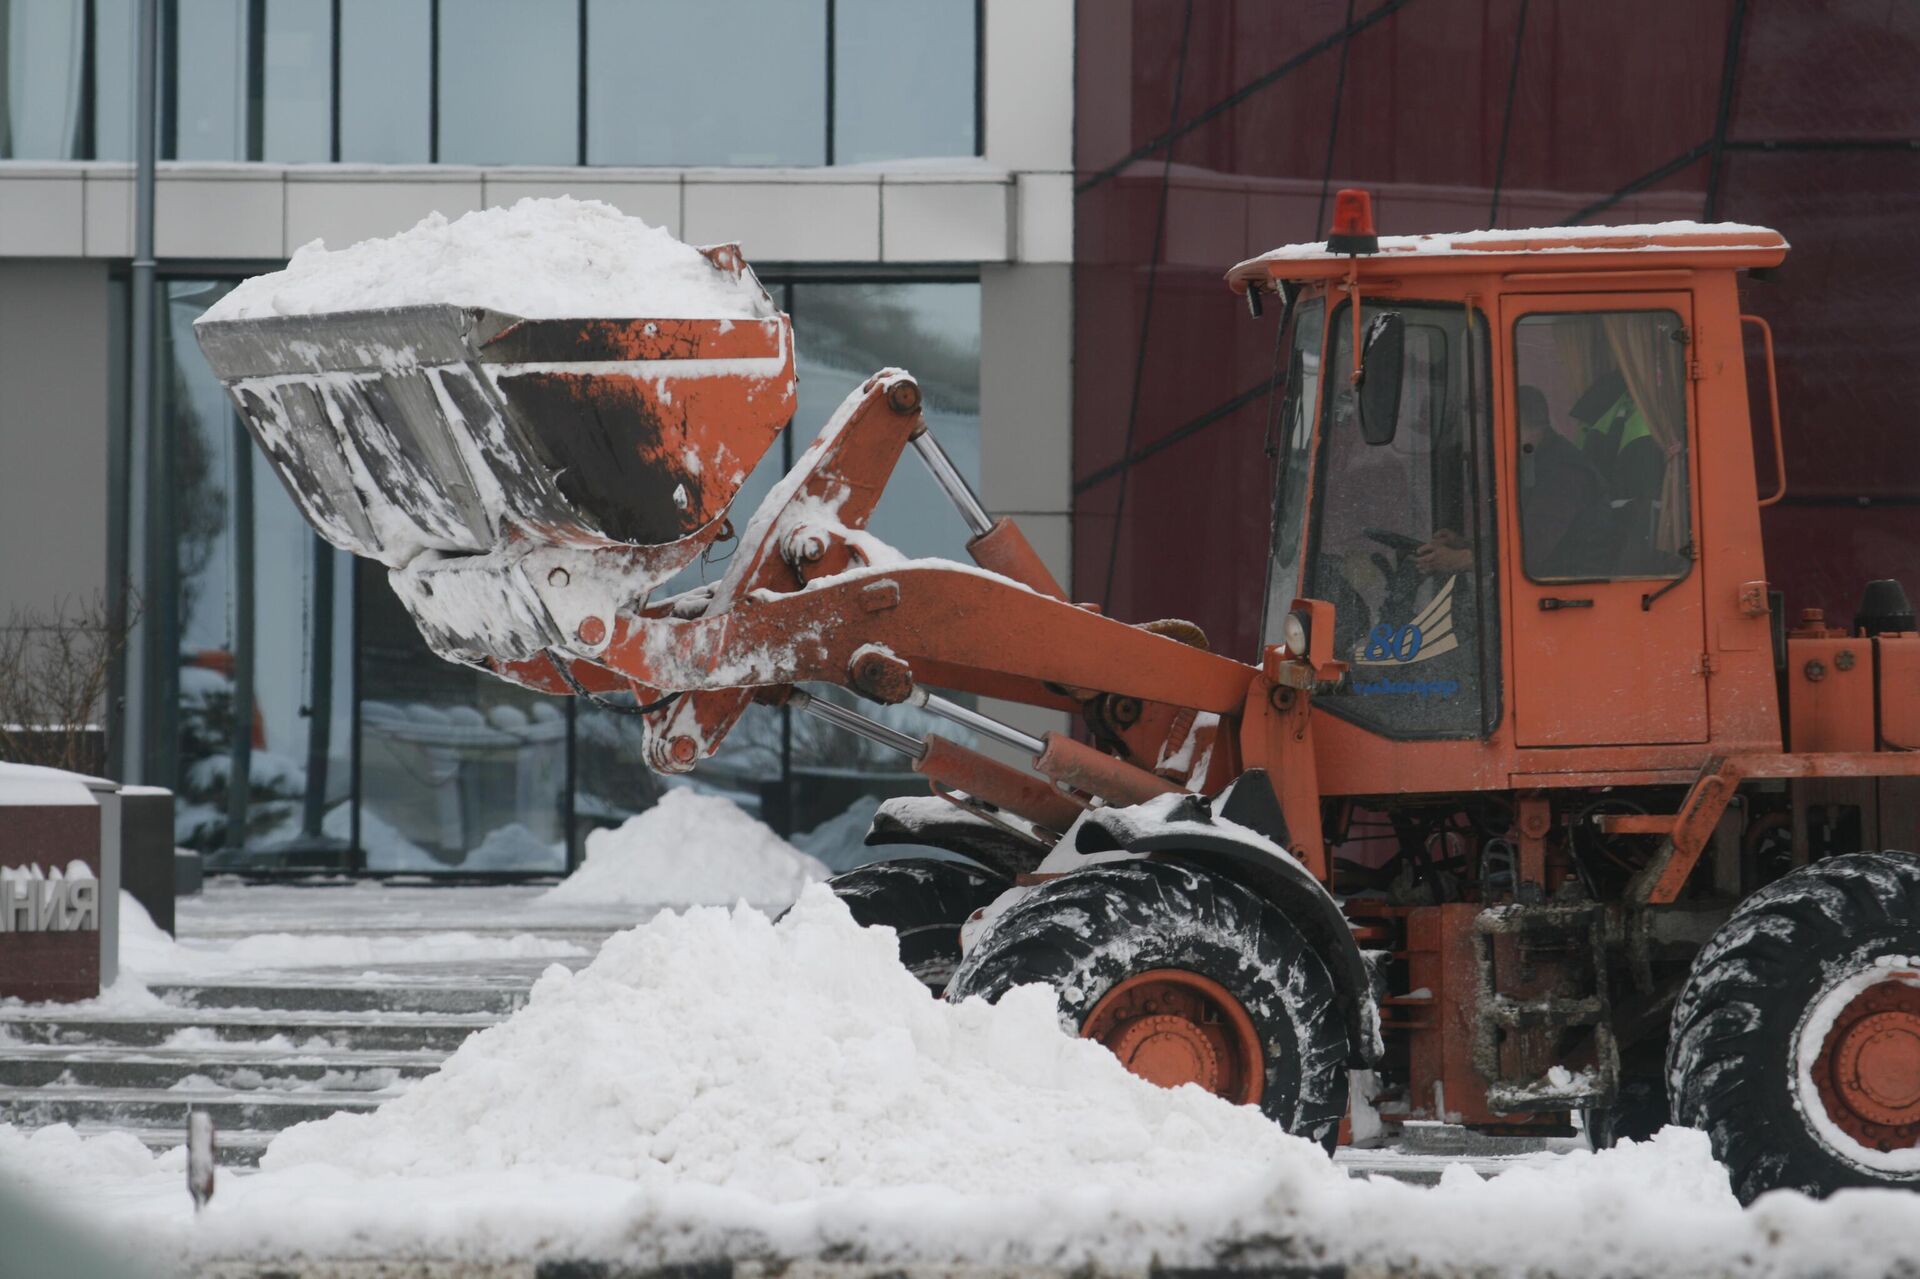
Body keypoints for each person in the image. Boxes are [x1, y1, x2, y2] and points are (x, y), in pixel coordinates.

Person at [1415, 385, 1612, 579]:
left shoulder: (1564, 473)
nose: (1487, 437)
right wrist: (1466, 544)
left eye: (1488, 428)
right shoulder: (1535, 459)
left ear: (1512, 423)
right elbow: (1519, 536)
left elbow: (1531, 549)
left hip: (1569, 589)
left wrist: (1464, 559)